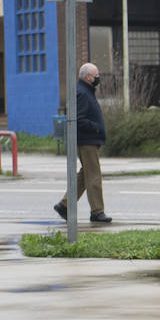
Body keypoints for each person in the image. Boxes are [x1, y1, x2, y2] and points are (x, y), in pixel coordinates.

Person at [53, 63, 112, 224]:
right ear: (88, 77)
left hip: (87, 140)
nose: (98, 78)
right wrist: (96, 128)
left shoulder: (85, 92)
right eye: (96, 75)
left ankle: (64, 205)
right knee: (94, 176)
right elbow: (78, 119)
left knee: (85, 175)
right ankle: (97, 211)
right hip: (87, 141)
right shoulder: (83, 94)